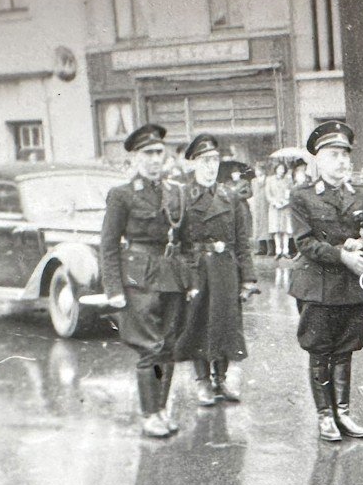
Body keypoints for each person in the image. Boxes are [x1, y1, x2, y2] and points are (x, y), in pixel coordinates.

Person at [288, 121, 363, 442]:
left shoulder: (362, 195)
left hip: (351, 286)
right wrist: (343, 255)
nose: (341, 162)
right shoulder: (302, 197)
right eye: (333, 155)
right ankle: (325, 416)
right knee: (320, 350)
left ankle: (343, 412)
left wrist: (362, 245)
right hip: (317, 284)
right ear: (318, 160)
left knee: (345, 350)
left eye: (345, 155)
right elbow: (305, 243)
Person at [99, 124, 189, 438]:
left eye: (158, 153)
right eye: (148, 153)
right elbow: (109, 245)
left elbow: (182, 238)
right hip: (137, 279)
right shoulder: (122, 195)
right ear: (135, 158)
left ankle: (162, 409)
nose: (154, 159)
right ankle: (150, 414)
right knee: (150, 348)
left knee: (169, 347)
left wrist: (187, 279)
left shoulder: (173, 191)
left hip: (170, 276)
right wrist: (113, 289)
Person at [173, 134, 259, 406]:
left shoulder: (230, 196)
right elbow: (176, 241)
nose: (210, 166)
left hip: (225, 270)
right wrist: (184, 277)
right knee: (197, 324)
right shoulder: (184, 195)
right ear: (194, 163)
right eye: (205, 161)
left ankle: (220, 380)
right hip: (197, 269)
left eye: (214, 160)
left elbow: (242, 241)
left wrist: (248, 279)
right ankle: (202, 382)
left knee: (224, 325)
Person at [266, 163, 293, 258]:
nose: (281, 170)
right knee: (276, 229)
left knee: (285, 229)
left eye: (283, 169)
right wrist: (274, 202)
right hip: (274, 208)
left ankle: (286, 250)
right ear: (276, 169)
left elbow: (290, 192)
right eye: (279, 168)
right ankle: (278, 251)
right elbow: (268, 194)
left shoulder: (288, 180)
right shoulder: (270, 180)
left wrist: (286, 202)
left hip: (285, 207)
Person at [250, 162, 271, 255]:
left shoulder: (268, 180)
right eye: (256, 170)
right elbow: (253, 193)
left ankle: (271, 248)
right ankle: (262, 248)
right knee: (259, 226)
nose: (257, 172)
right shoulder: (253, 181)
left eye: (259, 170)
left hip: (266, 205)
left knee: (268, 226)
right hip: (257, 206)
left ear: (263, 170)